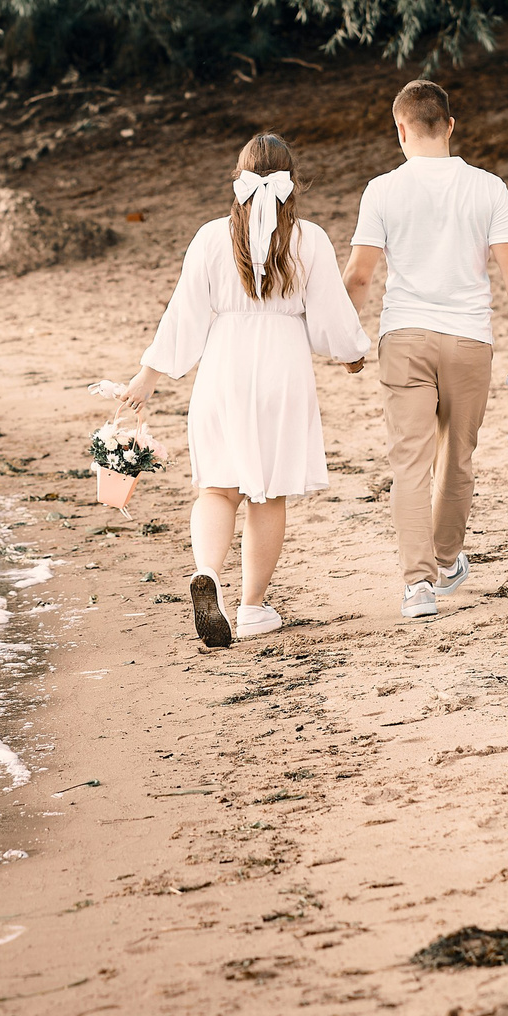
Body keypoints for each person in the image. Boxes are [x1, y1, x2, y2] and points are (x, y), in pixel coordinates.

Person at [120, 134, 371, 648]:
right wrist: (351, 353)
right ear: (291, 183)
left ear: (238, 179)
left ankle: (207, 573)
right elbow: (331, 316)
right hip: (282, 370)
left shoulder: (211, 238)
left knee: (217, 486)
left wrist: (148, 375)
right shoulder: (309, 239)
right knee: (268, 491)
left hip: (223, 367)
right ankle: (253, 607)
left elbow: (184, 315)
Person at [342, 80, 508, 619]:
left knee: (410, 462)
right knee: (457, 457)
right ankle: (447, 557)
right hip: (468, 340)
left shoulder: (381, 190)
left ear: (401, 130)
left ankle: (418, 586)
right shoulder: (488, 188)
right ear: (451, 126)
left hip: (405, 337)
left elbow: (360, 277)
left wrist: (345, 338)